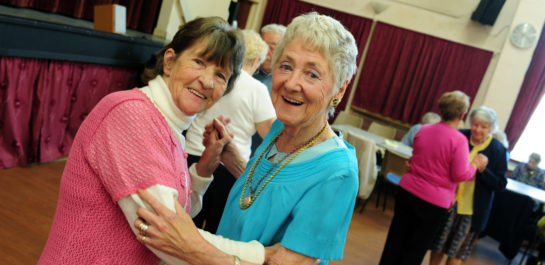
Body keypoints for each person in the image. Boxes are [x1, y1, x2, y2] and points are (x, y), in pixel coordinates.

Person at [133, 12, 360, 264]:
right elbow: (267, 195)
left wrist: (192, 247)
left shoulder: (337, 172)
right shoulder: (279, 129)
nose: (292, 83)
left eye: (312, 74)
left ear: (340, 88)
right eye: (286, 66)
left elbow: (287, 262)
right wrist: (231, 159)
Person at [37, 17, 260, 265]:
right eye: (199, 62)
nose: (207, 82)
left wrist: (204, 169)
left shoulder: (168, 125)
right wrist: (260, 255)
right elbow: (170, 238)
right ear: (169, 61)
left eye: (220, 75)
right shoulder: (131, 114)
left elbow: (180, 212)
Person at [378, 91, 487, 265]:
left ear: (441, 110)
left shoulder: (423, 130)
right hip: (434, 202)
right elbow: (460, 174)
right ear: (462, 114)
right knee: (415, 249)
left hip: (407, 191)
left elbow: (417, 158)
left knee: (395, 241)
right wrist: (475, 164)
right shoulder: (459, 140)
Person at [186, 29, 276, 233]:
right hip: (229, 167)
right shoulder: (256, 89)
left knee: (187, 220)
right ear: (255, 61)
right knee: (216, 229)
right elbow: (271, 134)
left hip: (194, 153)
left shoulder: (213, 78)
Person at [430, 106, 508, 265]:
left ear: (491, 129)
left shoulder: (498, 150)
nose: (478, 129)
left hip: (473, 211)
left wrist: (483, 171)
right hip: (448, 202)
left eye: (483, 127)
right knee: (438, 245)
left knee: (456, 251)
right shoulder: (461, 136)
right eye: (475, 124)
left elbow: (500, 184)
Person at [253, 23, 286, 93]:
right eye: (262, 45)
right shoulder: (246, 71)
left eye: (272, 48)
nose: (264, 51)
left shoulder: (285, 82)